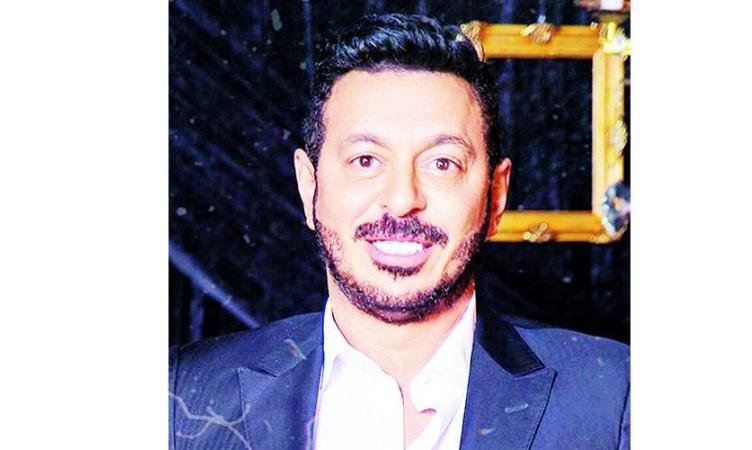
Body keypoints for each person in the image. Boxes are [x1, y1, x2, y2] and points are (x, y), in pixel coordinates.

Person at [169, 13, 629, 450]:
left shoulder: (616, 397)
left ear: (496, 196)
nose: (403, 198)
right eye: (366, 160)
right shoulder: (179, 397)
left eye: (442, 163)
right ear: (310, 187)